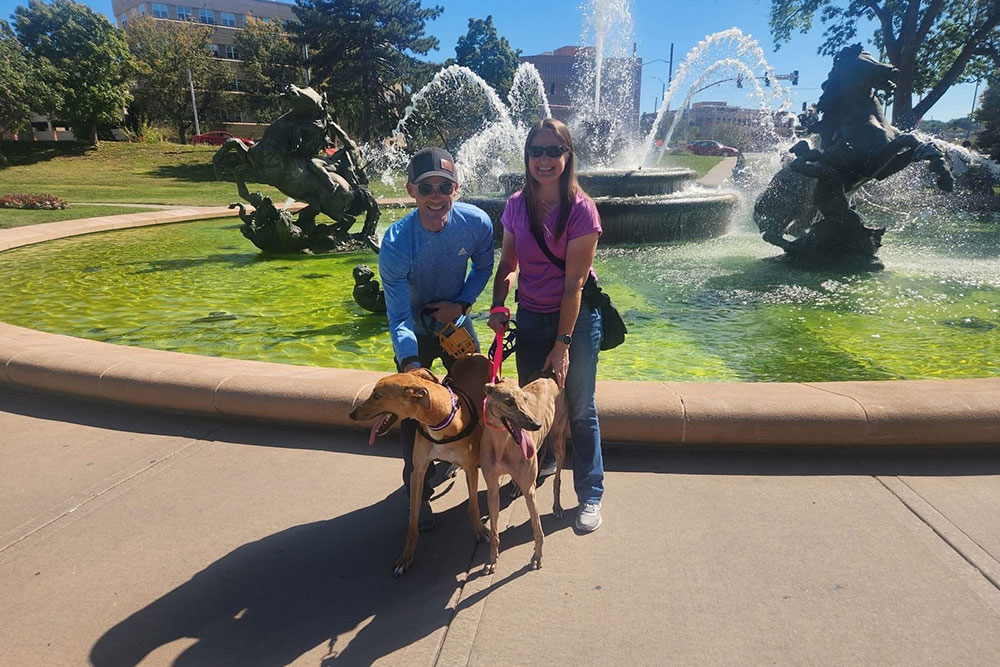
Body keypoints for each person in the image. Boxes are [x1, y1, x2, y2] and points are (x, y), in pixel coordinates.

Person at [487, 118, 605, 533]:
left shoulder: (581, 210)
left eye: (553, 151)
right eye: (536, 151)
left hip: (575, 318)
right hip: (532, 316)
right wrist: (499, 304)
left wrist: (564, 343)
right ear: (527, 157)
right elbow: (507, 265)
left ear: (567, 155)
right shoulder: (517, 204)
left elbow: (573, 283)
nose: (544, 159)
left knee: (578, 406)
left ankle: (590, 494)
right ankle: (540, 466)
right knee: (529, 404)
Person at [378, 146, 495, 531]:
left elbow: (483, 265)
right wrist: (412, 364)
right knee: (413, 412)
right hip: (414, 329)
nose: (435, 197)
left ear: (456, 188)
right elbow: (397, 316)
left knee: (481, 395)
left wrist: (461, 304)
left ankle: (482, 461)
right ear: (411, 191)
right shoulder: (396, 243)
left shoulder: (476, 223)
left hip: (457, 322)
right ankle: (418, 489)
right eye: (426, 188)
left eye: (444, 187)